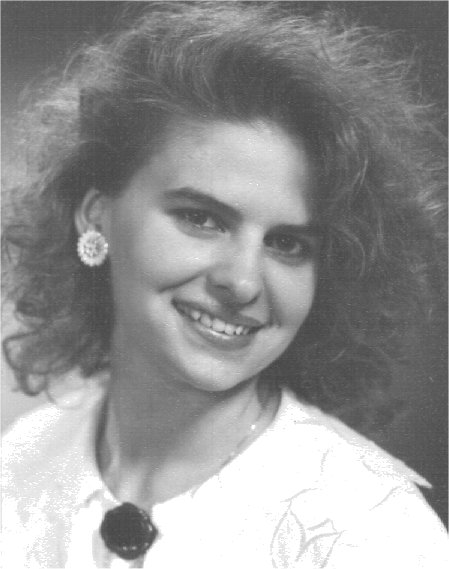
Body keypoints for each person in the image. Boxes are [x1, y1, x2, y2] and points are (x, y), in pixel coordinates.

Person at [2, 2, 447, 567]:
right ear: (97, 215)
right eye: (201, 218)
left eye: (288, 244)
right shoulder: (21, 464)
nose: (241, 281)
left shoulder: (371, 533)